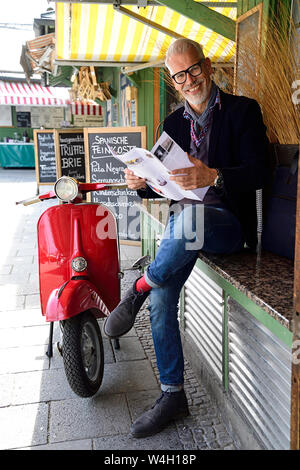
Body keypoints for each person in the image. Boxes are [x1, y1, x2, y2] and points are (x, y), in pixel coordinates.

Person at [104, 38, 269, 438]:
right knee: (162, 299)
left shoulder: (243, 111)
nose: (189, 79)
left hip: (227, 225)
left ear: (208, 66)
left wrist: (215, 175)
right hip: (185, 227)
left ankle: (140, 283)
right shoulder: (172, 125)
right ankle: (172, 394)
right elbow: (160, 185)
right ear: (174, 82)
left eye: (193, 69)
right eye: (180, 75)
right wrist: (139, 183)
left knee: (191, 218)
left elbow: (262, 171)